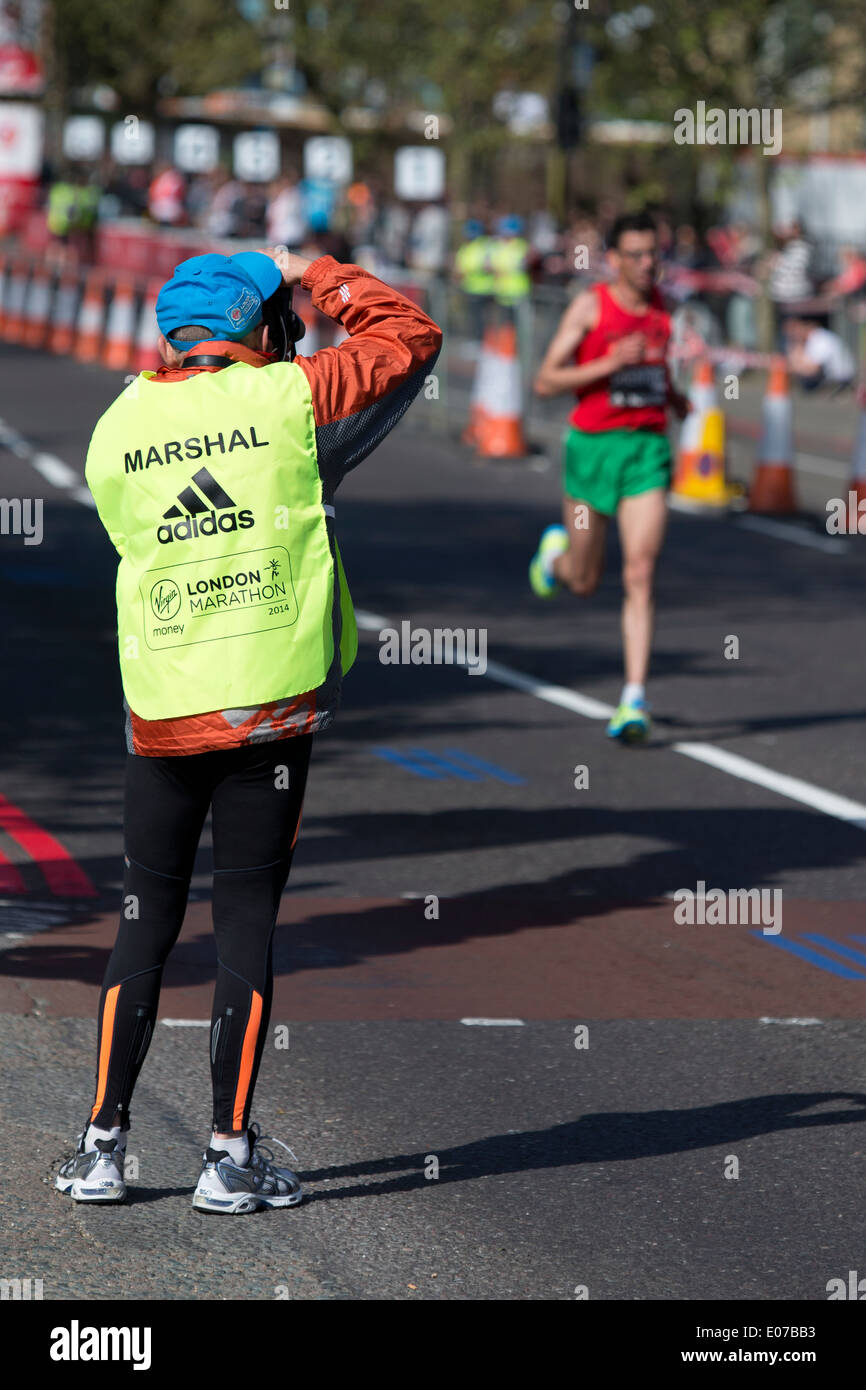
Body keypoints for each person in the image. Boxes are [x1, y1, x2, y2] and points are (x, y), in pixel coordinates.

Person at [55, 245, 442, 1213]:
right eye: (287, 321)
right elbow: (408, 336)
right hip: (268, 698)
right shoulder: (294, 401)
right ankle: (228, 1158)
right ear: (262, 327)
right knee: (246, 922)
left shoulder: (118, 424)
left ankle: (102, 1146)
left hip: (163, 700)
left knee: (143, 915)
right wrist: (319, 266)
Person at [529, 210, 688, 744]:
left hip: (646, 450)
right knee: (585, 581)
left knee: (640, 572)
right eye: (637, 255)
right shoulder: (590, 306)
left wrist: (676, 398)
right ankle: (555, 558)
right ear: (614, 259)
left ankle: (633, 698)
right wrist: (607, 364)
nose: (648, 265)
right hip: (591, 451)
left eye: (654, 254)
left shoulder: (666, 309)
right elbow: (546, 380)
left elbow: (657, 367)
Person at [784, 315, 855, 392]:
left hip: (840, 381)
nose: (792, 334)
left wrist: (787, 366)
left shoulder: (820, 339)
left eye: (793, 329)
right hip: (830, 380)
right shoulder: (811, 339)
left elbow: (812, 370)